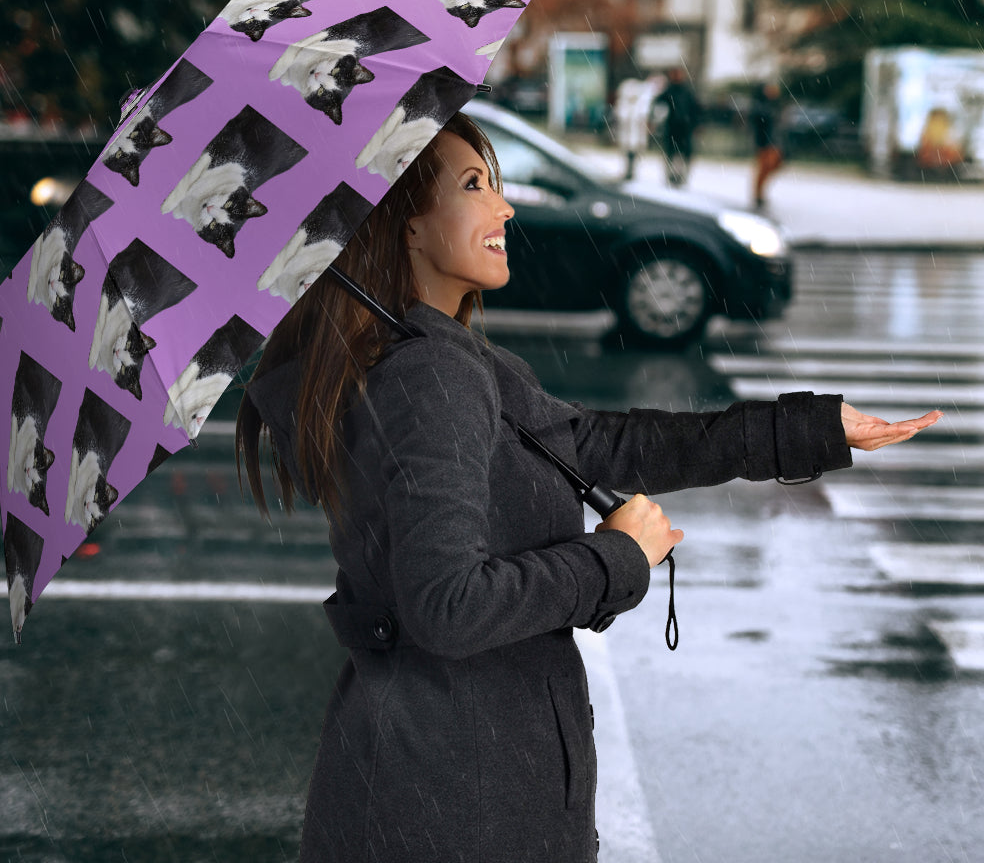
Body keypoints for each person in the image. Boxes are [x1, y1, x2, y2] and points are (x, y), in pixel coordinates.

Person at [236, 112, 940, 863]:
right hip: (455, 802)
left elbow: (604, 444)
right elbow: (447, 606)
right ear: (405, 226)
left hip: (446, 783)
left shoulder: (444, 360)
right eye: (475, 186)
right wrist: (614, 558)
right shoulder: (428, 377)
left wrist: (809, 429)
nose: (504, 207)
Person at [651, 66, 701, 187]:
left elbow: (695, 109)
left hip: (685, 128)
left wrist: (696, 125)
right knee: (671, 152)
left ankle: (680, 176)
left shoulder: (687, 92)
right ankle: (671, 175)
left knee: (682, 154)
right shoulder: (669, 91)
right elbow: (657, 105)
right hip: (672, 127)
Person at [751, 81, 784, 208]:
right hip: (765, 142)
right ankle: (758, 194)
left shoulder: (774, 105)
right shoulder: (761, 106)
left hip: (773, 141)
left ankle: (760, 193)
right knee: (764, 168)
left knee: (772, 166)